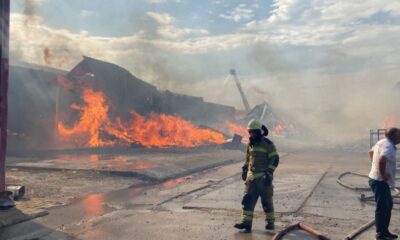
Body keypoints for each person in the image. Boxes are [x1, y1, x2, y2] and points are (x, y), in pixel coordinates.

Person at [234, 119, 279, 232]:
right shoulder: (250, 144)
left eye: (253, 132)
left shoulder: (267, 144)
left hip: (263, 178)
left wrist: (269, 172)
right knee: (247, 200)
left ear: (259, 132)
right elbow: (248, 159)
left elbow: (275, 159)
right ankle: (246, 223)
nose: (251, 134)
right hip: (251, 178)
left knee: (266, 201)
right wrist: (244, 169)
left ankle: (270, 221)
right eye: (250, 132)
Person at [368, 127, 400, 240]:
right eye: (399, 135)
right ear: (394, 136)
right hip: (379, 181)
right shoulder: (389, 146)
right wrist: (382, 173)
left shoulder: (382, 141)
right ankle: (380, 234)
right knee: (382, 207)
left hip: (377, 179)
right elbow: (382, 160)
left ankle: (384, 231)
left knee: (388, 205)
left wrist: (374, 165)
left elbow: (370, 152)